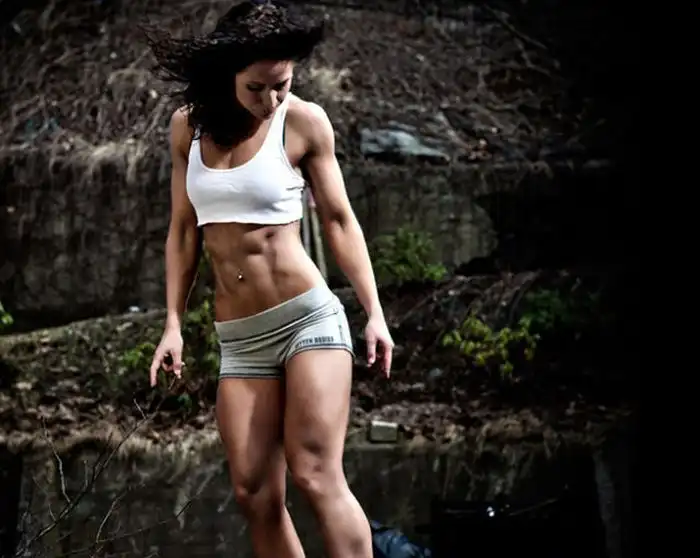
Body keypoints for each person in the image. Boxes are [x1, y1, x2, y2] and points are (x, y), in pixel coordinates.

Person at [144, 2, 394, 557]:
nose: (271, 100)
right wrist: (173, 323)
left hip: (308, 321)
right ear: (228, 73)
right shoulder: (187, 127)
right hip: (240, 338)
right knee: (253, 492)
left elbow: (339, 220)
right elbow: (182, 231)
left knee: (314, 472)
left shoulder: (304, 121)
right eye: (256, 88)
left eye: (282, 84)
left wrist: (374, 313)